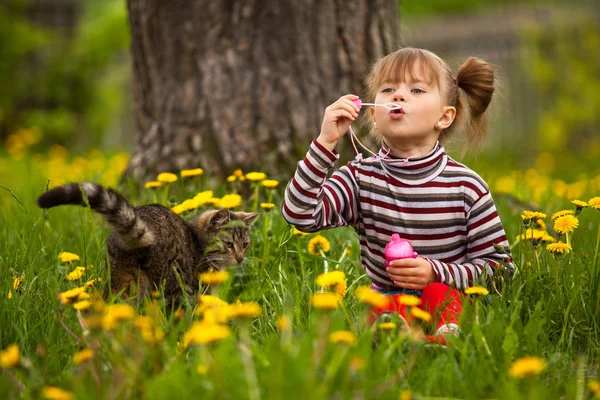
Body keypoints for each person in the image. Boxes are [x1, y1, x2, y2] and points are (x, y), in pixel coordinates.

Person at [281, 47, 514, 341]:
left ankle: (447, 339)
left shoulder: (466, 186)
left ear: (444, 117)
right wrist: (326, 142)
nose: (398, 96)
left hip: (452, 296)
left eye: (416, 90)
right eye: (388, 89)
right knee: (387, 306)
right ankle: (401, 340)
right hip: (392, 298)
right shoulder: (360, 178)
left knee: (439, 293)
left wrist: (436, 272)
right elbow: (299, 214)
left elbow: (501, 270)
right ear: (374, 116)